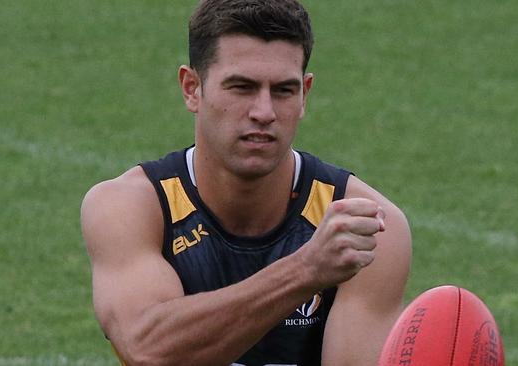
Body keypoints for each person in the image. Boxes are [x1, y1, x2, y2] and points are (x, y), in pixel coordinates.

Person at [80, 0, 412, 365]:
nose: (264, 112)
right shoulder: (131, 207)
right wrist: (306, 270)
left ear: (305, 94)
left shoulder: (368, 229)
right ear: (192, 88)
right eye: (242, 87)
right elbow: (149, 349)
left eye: (284, 90)